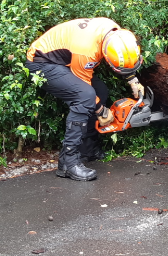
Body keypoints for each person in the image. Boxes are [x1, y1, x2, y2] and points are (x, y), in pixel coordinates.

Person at [26, 18, 145, 182]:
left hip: (66, 60)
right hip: (42, 63)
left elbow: (124, 58)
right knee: (85, 96)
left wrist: (133, 80)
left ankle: (87, 150)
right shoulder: (85, 51)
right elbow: (84, 87)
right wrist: (102, 111)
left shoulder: (118, 34)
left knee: (100, 91)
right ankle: (68, 163)